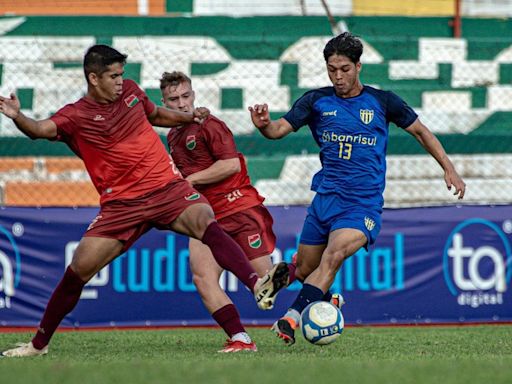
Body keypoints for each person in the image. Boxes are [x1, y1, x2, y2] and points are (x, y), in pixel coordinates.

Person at [0, 44, 281, 357]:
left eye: (122, 74)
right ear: (94, 78)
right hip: (122, 206)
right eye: (114, 76)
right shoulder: (75, 116)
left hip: (166, 189)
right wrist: (17, 116)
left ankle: (256, 286)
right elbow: (39, 130)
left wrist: (186, 117)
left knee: (205, 220)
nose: (121, 81)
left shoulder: (131, 93)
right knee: (78, 271)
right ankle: (38, 345)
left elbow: (157, 114)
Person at [248, 32, 466, 345]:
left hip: (361, 205)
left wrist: (449, 168)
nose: (338, 76)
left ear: (358, 66)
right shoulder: (316, 101)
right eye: (332, 69)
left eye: (344, 69)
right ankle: (316, 289)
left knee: (333, 255)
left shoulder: (382, 101)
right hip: (325, 200)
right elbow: (278, 129)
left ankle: (291, 318)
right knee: (308, 269)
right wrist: (264, 125)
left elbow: (420, 131)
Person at [159, 71, 288, 353]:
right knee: (202, 277)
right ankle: (240, 338)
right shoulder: (173, 134)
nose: (181, 104)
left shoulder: (210, 125)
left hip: (237, 206)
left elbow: (230, 165)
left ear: (193, 95)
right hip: (204, 214)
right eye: (173, 99)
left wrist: (189, 181)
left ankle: (321, 293)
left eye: (185, 96)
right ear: (164, 102)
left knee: (267, 280)